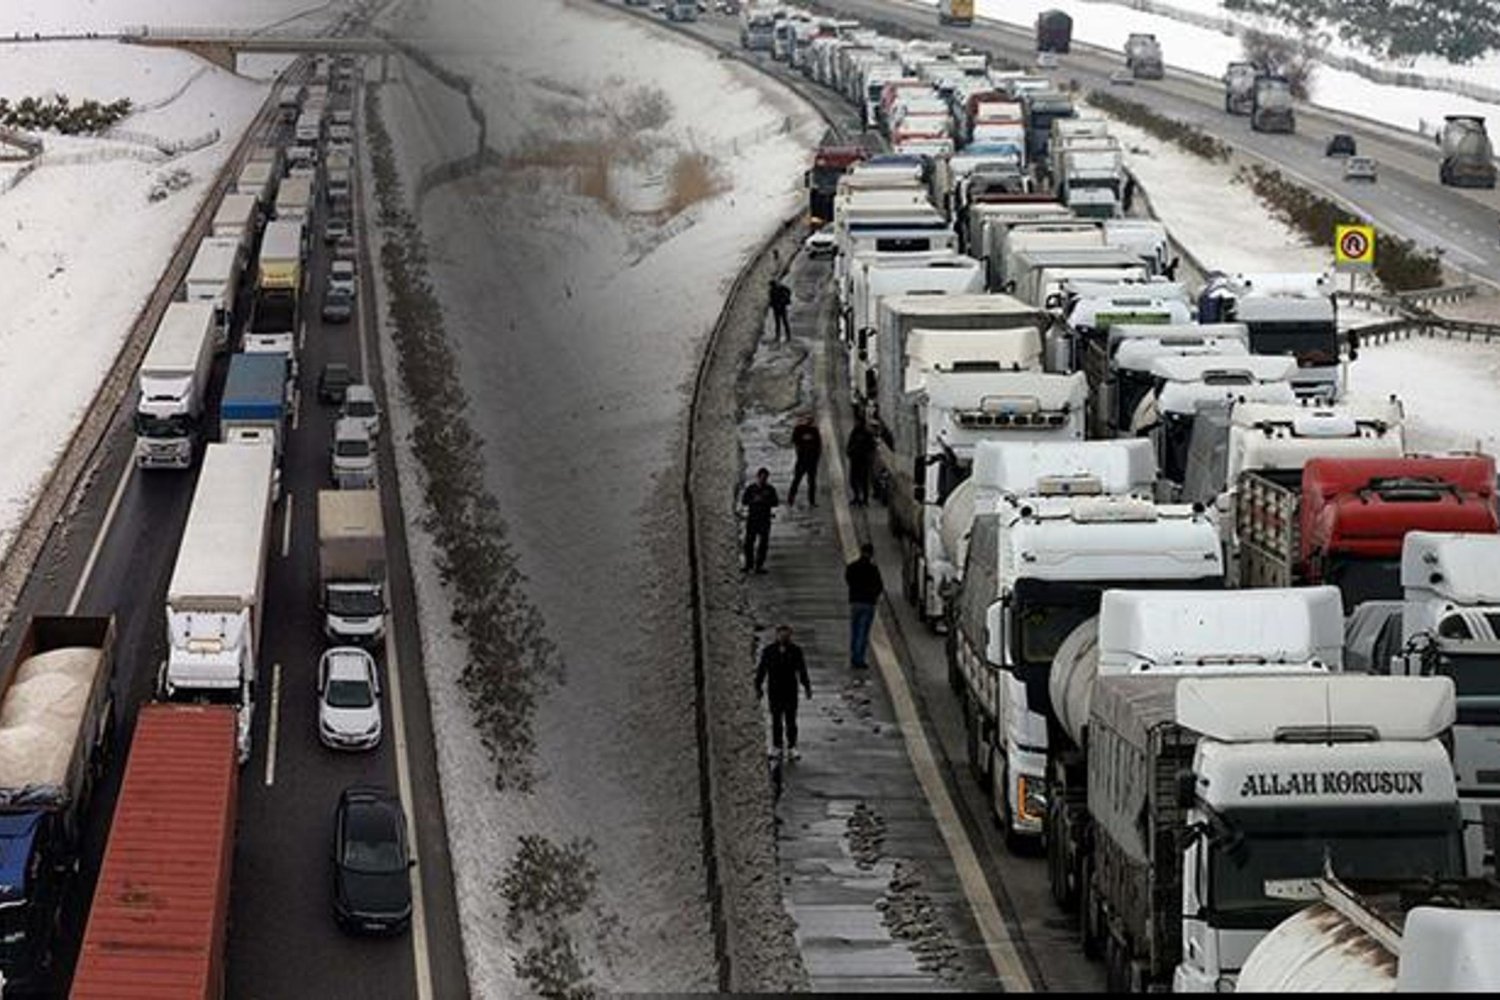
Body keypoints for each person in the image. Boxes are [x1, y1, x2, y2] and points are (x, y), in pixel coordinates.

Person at [755, 624, 811, 760]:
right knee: (776, 720)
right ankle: (777, 746)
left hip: (790, 690)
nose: (784, 636)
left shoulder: (796, 651)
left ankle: (792, 746)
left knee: (791, 720)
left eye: (786, 633)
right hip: (775, 690)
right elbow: (762, 670)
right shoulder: (769, 651)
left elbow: (802, 670)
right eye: (781, 633)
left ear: (790, 635)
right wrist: (758, 686)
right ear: (777, 634)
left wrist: (807, 686)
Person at [845, 543, 884, 669]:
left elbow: (848, 580)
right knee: (863, 632)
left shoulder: (852, 567)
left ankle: (854, 656)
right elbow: (879, 586)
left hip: (855, 602)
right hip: (868, 603)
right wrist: (874, 595)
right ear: (871, 554)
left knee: (855, 631)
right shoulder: (873, 569)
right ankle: (859, 659)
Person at [740, 467, 779, 574]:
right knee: (749, 543)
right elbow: (744, 501)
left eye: (765, 478)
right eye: (762, 478)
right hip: (753, 519)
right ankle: (749, 564)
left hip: (764, 519)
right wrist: (754, 500)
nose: (763, 480)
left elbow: (775, 502)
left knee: (763, 544)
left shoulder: (770, 489)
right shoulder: (751, 489)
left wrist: (764, 501)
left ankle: (759, 565)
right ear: (758, 477)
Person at [787, 413, 822, 508]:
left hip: (811, 461)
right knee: (796, 480)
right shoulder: (799, 429)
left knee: (812, 482)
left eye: (810, 420)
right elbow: (794, 440)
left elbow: (818, 445)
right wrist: (799, 449)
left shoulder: (814, 430)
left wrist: (816, 458)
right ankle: (790, 499)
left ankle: (811, 501)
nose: (808, 422)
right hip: (802, 460)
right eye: (807, 419)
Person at [845, 417, 877, 506]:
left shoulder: (867, 434)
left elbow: (872, 446)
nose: (856, 423)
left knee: (863, 480)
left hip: (863, 461)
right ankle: (856, 496)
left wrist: (868, 456)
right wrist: (849, 451)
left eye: (857, 422)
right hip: (855, 459)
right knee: (853, 480)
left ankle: (865, 499)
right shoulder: (854, 432)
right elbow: (850, 442)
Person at [768, 276, 792, 343]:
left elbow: (789, 291)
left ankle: (784, 336)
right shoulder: (774, 290)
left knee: (782, 322)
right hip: (778, 308)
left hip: (781, 307)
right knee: (780, 322)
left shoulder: (781, 289)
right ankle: (782, 336)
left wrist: (784, 300)